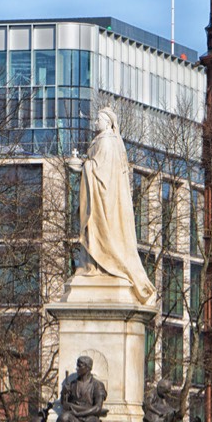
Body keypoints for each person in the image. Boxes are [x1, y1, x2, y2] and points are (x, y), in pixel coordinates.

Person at [74, 106, 156, 303]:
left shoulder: (107, 142)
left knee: (103, 233)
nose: (95, 123)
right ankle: (94, 266)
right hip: (103, 197)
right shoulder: (106, 141)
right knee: (98, 233)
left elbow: (101, 171)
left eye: (98, 120)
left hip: (104, 200)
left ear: (108, 122)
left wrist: (84, 165)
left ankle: (102, 266)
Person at [52, 356, 108, 422]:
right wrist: (64, 393)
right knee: (63, 418)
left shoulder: (97, 385)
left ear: (88, 368)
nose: (77, 368)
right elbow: (64, 405)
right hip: (74, 416)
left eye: (79, 366)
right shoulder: (72, 384)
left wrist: (79, 412)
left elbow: (97, 408)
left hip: (90, 416)